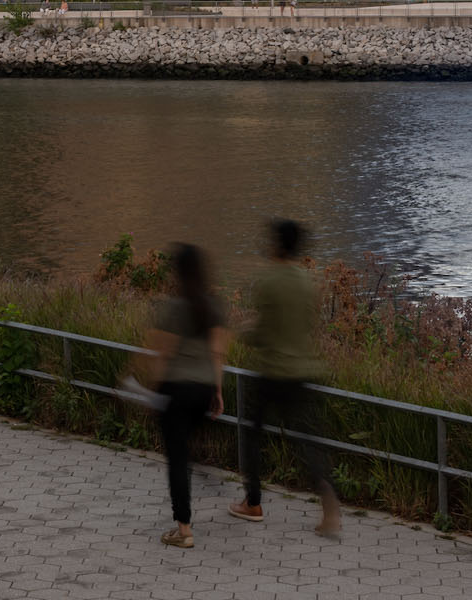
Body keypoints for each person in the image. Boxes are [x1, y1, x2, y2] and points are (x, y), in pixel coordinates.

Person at [229, 219, 341, 539]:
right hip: (304, 369)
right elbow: (308, 323)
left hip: (272, 370)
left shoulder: (268, 280)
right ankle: (329, 503)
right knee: (308, 440)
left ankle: (253, 502)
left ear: (277, 244)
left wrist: (246, 331)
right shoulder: (309, 282)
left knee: (252, 435)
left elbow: (262, 333)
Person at [143, 243, 226, 548]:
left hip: (177, 389)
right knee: (187, 450)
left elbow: (162, 354)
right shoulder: (214, 305)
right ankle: (203, 467)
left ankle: (184, 529)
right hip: (204, 389)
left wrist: (155, 391)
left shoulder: (176, 307)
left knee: (177, 460)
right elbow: (218, 352)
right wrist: (217, 391)